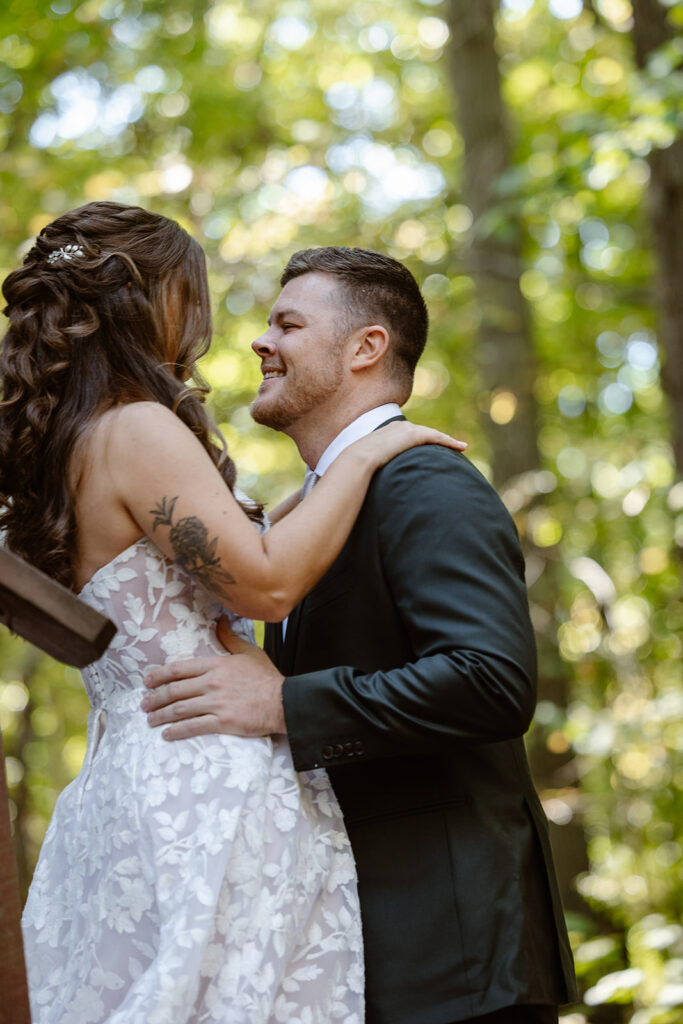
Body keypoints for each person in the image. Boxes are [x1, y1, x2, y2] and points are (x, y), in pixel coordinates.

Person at [0, 204, 465, 1024]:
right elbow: (265, 585)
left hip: (123, 780)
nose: (210, 322)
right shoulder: (138, 427)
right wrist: (368, 451)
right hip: (201, 780)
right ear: (150, 300)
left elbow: (207, 552)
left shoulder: (66, 444)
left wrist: (307, 492)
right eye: (192, 291)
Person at [143, 246, 579, 1024]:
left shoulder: (425, 482)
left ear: (365, 348)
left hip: (453, 959)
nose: (260, 341)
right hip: (368, 945)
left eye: (288, 323)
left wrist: (284, 705)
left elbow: (489, 680)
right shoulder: (320, 510)